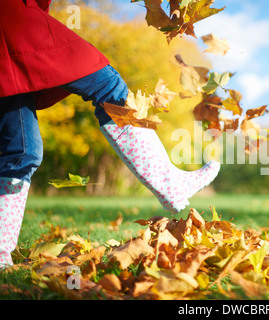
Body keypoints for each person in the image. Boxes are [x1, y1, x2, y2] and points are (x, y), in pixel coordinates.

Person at [0, 0, 220, 268]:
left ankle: (0, 253)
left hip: (12, 24)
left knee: (21, 151)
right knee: (109, 89)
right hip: (12, 16)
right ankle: (170, 183)